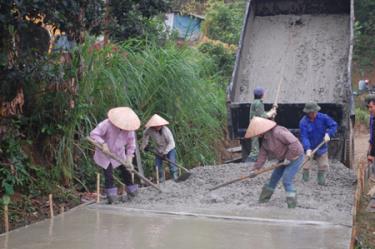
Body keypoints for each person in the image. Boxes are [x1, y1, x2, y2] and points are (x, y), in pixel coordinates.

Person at [245, 117, 304, 208]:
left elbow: (295, 144)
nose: (257, 135)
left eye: (257, 133)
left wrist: (289, 158)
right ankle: (262, 201)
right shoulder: (265, 140)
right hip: (283, 159)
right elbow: (262, 156)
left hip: (295, 156)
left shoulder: (278, 132)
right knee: (273, 179)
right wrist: (256, 169)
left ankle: (292, 206)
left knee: (287, 180)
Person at [90, 107, 140, 204]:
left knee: (126, 171)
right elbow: (94, 134)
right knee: (108, 174)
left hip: (119, 153)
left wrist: (129, 158)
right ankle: (111, 196)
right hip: (105, 153)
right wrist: (103, 143)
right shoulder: (107, 124)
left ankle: (131, 190)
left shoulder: (130, 129)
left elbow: (131, 145)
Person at [299, 102, 337, 185]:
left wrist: (328, 133)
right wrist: (308, 148)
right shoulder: (303, 122)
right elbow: (304, 136)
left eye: (314, 112)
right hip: (309, 146)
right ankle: (305, 182)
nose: (313, 114)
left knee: (323, 166)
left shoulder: (323, 117)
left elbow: (333, 125)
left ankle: (321, 182)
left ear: (316, 111)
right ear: (307, 112)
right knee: (305, 165)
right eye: (310, 113)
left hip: (322, 146)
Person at [141, 114, 178, 182]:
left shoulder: (166, 130)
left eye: (158, 125)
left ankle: (175, 177)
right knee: (157, 165)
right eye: (155, 125)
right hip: (159, 149)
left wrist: (165, 152)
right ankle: (161, 179)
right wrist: (144, 145)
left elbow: (172, 143)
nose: (157, 126)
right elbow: (145, 135)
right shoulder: (149, 130)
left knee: (171, 163)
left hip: (169, 148)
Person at [247, 87, 277, 162]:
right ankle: (249, 162)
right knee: (255, 149)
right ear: (262, 95)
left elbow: (261, 113)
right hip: (256, 126)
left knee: (256, 144)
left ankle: (261, 158)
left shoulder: (255, 102)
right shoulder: (258, 103)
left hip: (254, 125)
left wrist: (271, 111)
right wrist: (271, 113)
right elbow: (262, 116)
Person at [366, 94, 375, 180]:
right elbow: (372, 134)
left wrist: (372, 154)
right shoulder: (372, 117)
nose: (369, 109)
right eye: (368, 107)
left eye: (371, 107)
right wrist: (370, 146)